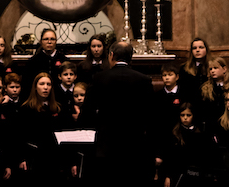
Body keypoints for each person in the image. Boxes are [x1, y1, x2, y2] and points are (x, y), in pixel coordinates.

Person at [86, 42, 155, 186]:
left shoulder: (100, 78)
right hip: (134, 148)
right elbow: (151, 115)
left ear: (111, 55)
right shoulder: (144, 80)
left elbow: (88, 111)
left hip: (106, 147)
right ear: (131, 58)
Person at [18, 73, 63, 186]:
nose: (45, 87)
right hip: (34, 157)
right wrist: (22, 158)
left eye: (48, 84)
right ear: (35, 87)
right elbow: (20, 135)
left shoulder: (56, 108)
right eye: (42, 84)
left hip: (53, 157)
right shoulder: (26, 108)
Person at [159, 104, 209, 187]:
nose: (185, 118)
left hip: (195, 173)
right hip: (177, 173)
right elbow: (170, 157)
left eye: (188, 115)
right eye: (182, 115)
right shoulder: (175, 133)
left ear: (193, 116)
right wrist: (168, 176)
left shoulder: (199, 133)